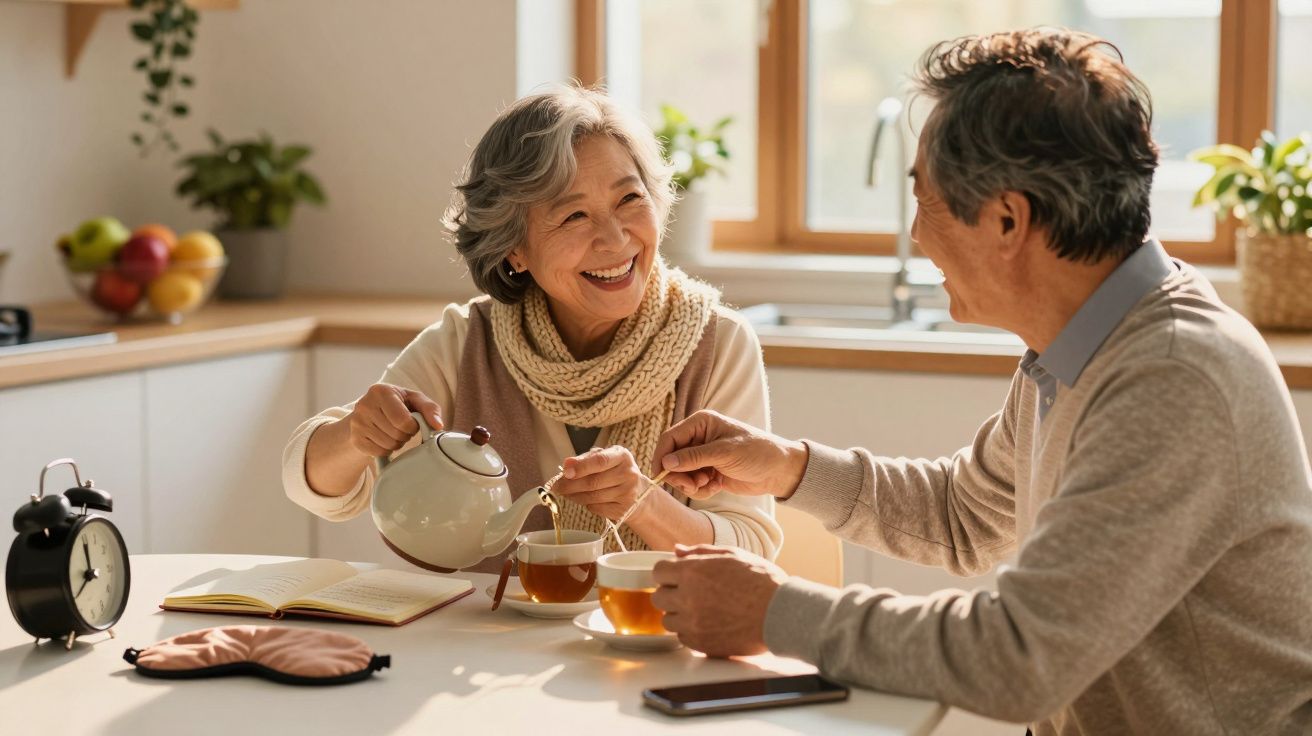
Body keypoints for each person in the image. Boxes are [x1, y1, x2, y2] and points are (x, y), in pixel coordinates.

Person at [647, 29, 1312, 734]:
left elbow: (1019, 657)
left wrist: (772, 612)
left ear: (1006, 219)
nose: (917, 234)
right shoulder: (1082, 347)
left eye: (925, 200)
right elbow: (967, 517)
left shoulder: (1173, 379)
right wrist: (784, 468)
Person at [282, 86, 781, 572]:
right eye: (574, 216)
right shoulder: (468, 342)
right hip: (490, 647)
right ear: (514, 249)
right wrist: (355, 433)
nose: (614, 238)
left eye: (630, 198)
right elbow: (316, 488)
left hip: (650, 642)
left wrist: (644, 506)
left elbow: (750, 553)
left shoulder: (717, 343)